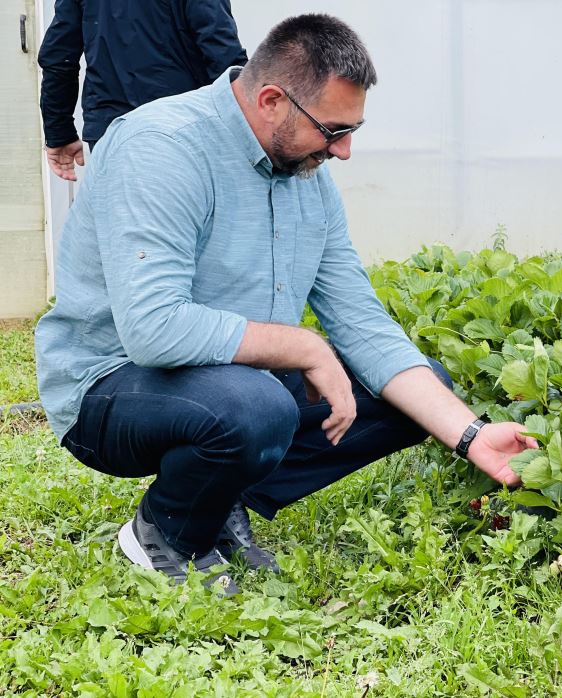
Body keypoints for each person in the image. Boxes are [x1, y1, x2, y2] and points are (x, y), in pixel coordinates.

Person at [34, 13, 536, 595]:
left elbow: (362, 322)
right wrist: (301, 345)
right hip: (111, 386)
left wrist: (471, 435)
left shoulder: (305, 174)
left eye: (353, 130)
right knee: (258, 405)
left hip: (227, 385)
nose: (345, 151)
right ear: (272, 100)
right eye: (333, 130)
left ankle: (220, 499)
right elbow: (152, 328)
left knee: (411, 392)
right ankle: (164, 533)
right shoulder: (161, 147)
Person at [38, 0, 248, 181]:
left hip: (113, 131)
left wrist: (60, 132)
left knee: (122, 222)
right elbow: (222, 53)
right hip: (182, 127)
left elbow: (59, 57)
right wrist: (248, 131)